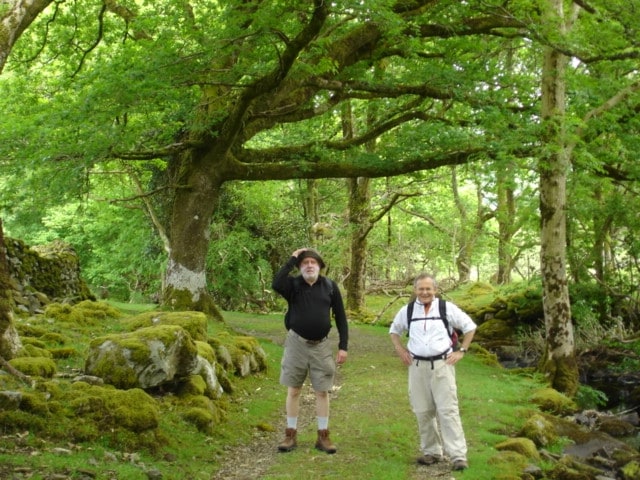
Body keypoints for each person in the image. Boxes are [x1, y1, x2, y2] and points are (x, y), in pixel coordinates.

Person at [389, 273, 476, 471]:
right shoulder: (408, 310)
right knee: (422, 410)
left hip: (442, 365)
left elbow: (470, 327)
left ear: (435, 290)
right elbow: (394, 331)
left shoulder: (446, 308)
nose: (425, 292)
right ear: (415, 290)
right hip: (417, 366)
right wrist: (401, 350)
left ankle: (458, 456)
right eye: (421, 289)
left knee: (448, 410)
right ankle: (432, 452)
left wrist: (462, 351)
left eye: (429, 289)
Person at [272, 248, 349, 454]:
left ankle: (323, 436)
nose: (309, 265)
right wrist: (292, 258)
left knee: (322, 391)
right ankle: (290, 435)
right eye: (304, 262)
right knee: (294, 389)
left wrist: (343, 346)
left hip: (321, 346)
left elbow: (341, 317)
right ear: (300, 266)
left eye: (313, 262)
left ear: (320, 266)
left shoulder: (330, 287)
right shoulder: (293, 285)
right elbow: (276, 283)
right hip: (296, 343)